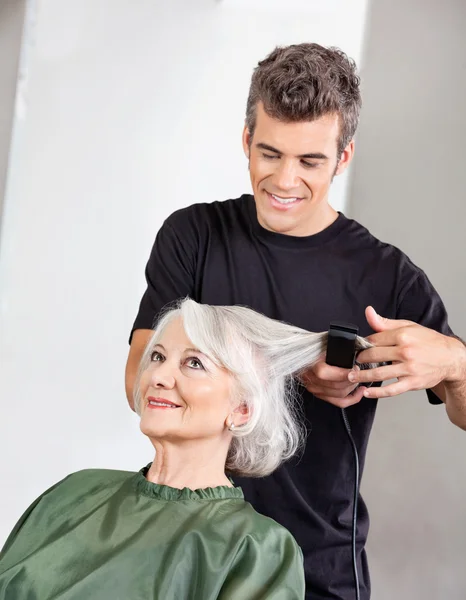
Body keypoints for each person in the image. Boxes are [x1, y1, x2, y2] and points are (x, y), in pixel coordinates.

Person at [125, 44, 466, 600]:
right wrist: (285, 362)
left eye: (310, 162)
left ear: (344, 155)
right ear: (245, 142)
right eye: (269, 154)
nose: (284, 181)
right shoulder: (194, 237)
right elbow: (139, 382)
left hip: (315, 569)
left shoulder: (385, 276)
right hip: (185, 549)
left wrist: (453, 365)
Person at [1, 298, 375, 599]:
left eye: (194, 363)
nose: (159, 377)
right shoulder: (74, 493)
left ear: (241, 409)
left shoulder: (256, 549)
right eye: (158, 357)